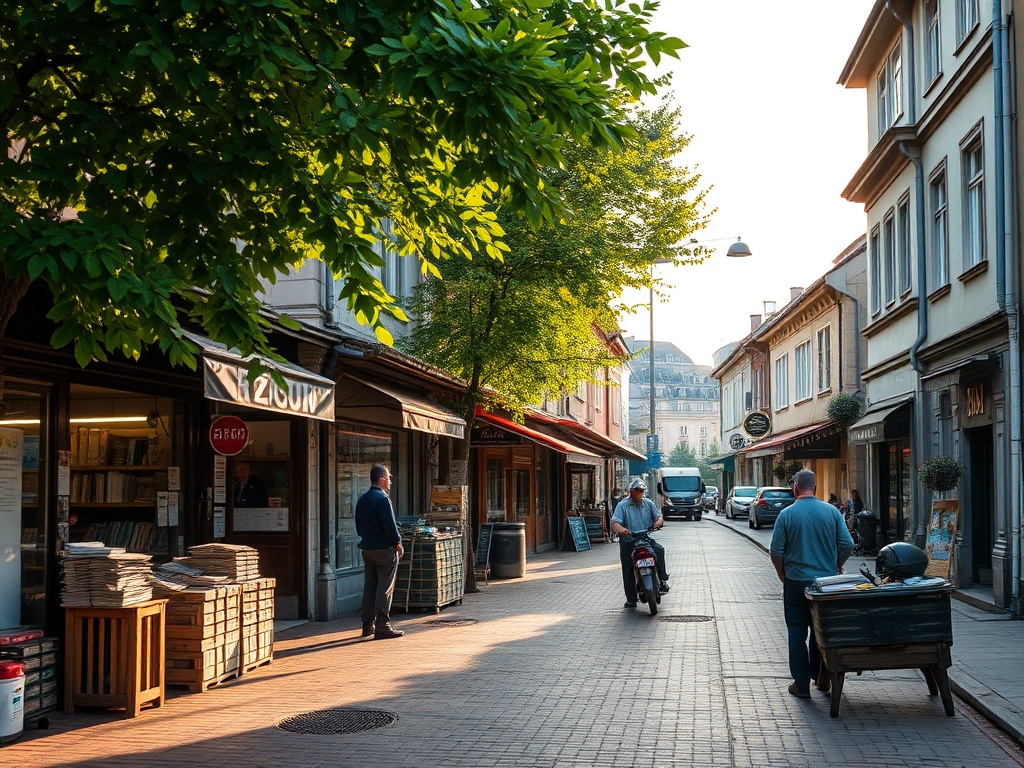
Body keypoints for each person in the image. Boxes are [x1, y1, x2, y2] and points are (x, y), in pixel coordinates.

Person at [770, 469, 854, 699]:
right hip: (825, 584)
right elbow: (847, 543)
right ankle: (821, 677)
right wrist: (836, 564)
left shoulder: (786, 515)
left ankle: (801, 684)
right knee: (821, 631)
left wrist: (782, 573)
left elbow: (776, 551)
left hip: (796, 582)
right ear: (815, 488)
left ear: (795, 487)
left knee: (797, 631)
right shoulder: (832, 512)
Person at [354, 464, 405, 640]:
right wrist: (397, 543)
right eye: (389, 478)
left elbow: (358, 526)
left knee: (370, 587)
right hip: (384, 549)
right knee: (384, 588)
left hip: (367, 548)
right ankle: (383, 625)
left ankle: (367, 624)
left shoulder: (363, 499)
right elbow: (390, 526)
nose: (390, 481)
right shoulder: (383, 499)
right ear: (382, 480)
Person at [609, 478, 670, 608]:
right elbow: (615, 523)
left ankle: (663, 579)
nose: (639, 493)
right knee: (628, 567)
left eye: (641, 491)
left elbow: (658, 517)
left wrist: (657, 523)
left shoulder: (648, 504)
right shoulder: (623, 505)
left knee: (658, 550)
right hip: (629, 539)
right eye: (637, 491)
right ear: (631, 492)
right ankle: (631, 599)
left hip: (644, 536)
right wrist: (623, 530)